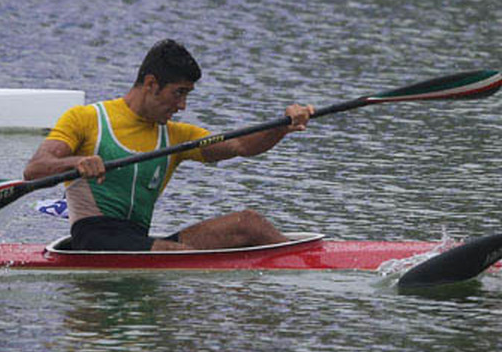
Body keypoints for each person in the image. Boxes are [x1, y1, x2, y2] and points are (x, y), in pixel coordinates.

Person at [23, 39, 313, 252]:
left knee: (249, 223)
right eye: (178, 93)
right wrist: (75, 163)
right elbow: (34, 170)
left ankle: (302, 264)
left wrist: (283, 126)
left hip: (139, 243)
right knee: (175, 254)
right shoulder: (86, 119)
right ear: (151, 84)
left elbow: (241, 145)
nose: (183, 106)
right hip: (93, 241)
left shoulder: (176, 136)